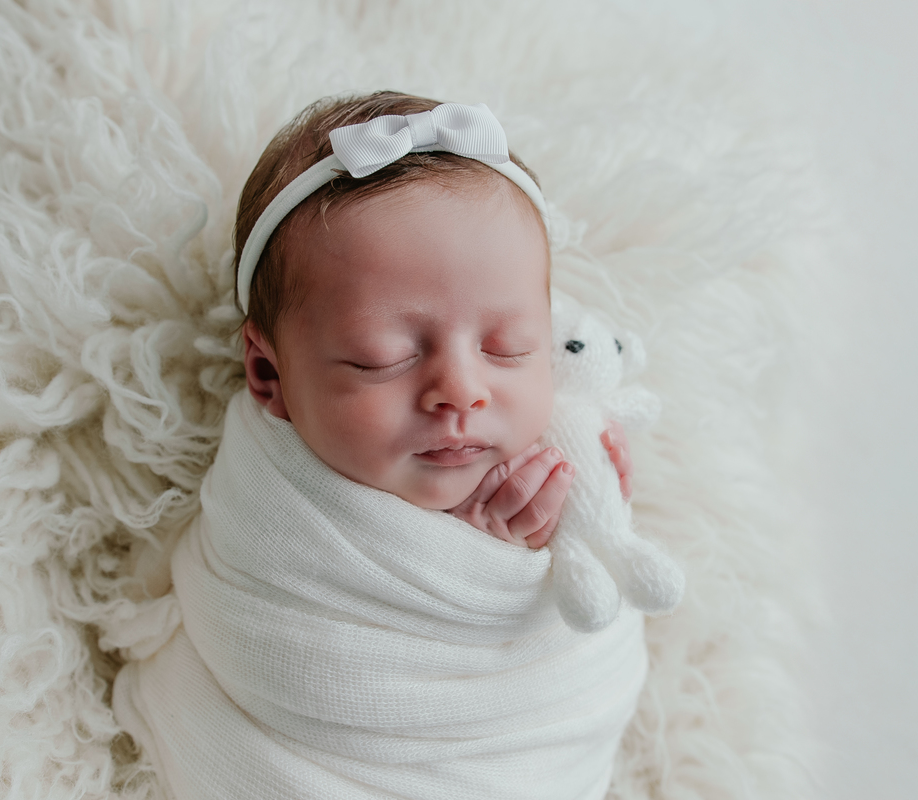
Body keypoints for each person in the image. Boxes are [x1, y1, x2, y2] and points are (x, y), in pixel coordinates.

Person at [113, 91, 647, 800]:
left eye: (508, 346)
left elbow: (587, 632)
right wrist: (473, 555)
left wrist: (595, 498)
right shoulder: (268, 505)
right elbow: (298, 667)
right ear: (269, 375)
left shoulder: (553, 434)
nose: (461, 391)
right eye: (384, 357)